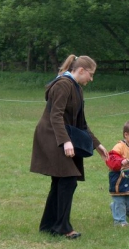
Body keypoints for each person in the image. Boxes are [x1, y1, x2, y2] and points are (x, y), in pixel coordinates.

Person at [30, 54, 108, 239]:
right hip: (50, 136)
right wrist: (65, 141)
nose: (91, 78)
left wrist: (97, 145)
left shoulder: (77, 89)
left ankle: (48, 226)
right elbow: (55, 116)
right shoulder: (63, 85)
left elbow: (82, 122)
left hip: (61, 135)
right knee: (68, 179)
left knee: (60, 181)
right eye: (90, 74)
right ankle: (63, 227)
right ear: (81, 70)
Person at [105, 120, 129, 226]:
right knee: (119, 198)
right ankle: (120, 221)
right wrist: (121, 161)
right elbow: (111, 159)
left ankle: (115, 207)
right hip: (120, 177)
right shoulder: (119, 146)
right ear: (126, 135)